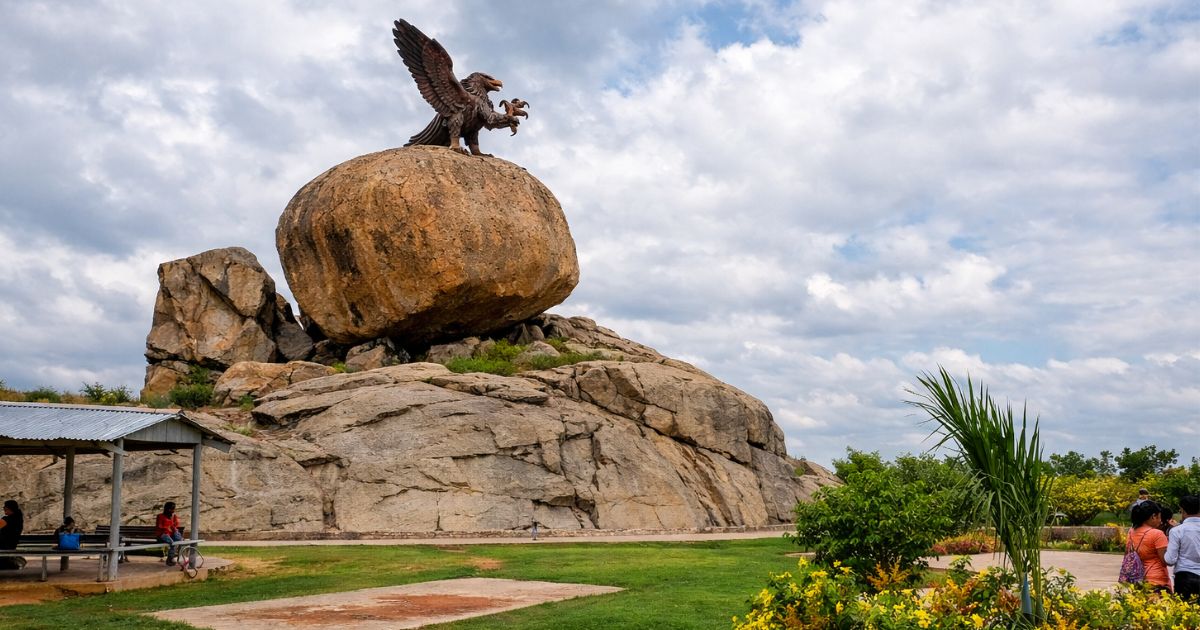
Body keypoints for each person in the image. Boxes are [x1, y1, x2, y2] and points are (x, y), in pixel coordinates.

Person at [1128, 500, 1171, 592]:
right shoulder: (1157, 534)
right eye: (1159, 517)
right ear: (1153, 516)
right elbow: (1165, 560)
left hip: (1137, 577)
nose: (1160, 521)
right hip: (1157, 578)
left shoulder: (1131, 531)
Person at [1166, 494, 1200, 600]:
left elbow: (1170, 560)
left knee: (1184, 613)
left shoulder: (1177, 531)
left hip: (1184, 578)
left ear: (1183, 511)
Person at [155, 501, 183, 566]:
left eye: (173, 509)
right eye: (172, 509)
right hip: (162, 535)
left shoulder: (172, 517)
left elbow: (174, 526)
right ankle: (170, 559)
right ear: (167, 509)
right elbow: (160, 526)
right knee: (172, 542)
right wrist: (167, 527)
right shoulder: (160, 516)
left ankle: (171, 558)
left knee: (178, 540)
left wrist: (174, 529)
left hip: (170, 535)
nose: (173, 511)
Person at [0, 500, 25, 570]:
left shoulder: (7, 520)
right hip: (11, 544)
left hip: (4, 545)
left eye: (5, 507)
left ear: (9, 508)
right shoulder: (18, 518)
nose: (4, 508)